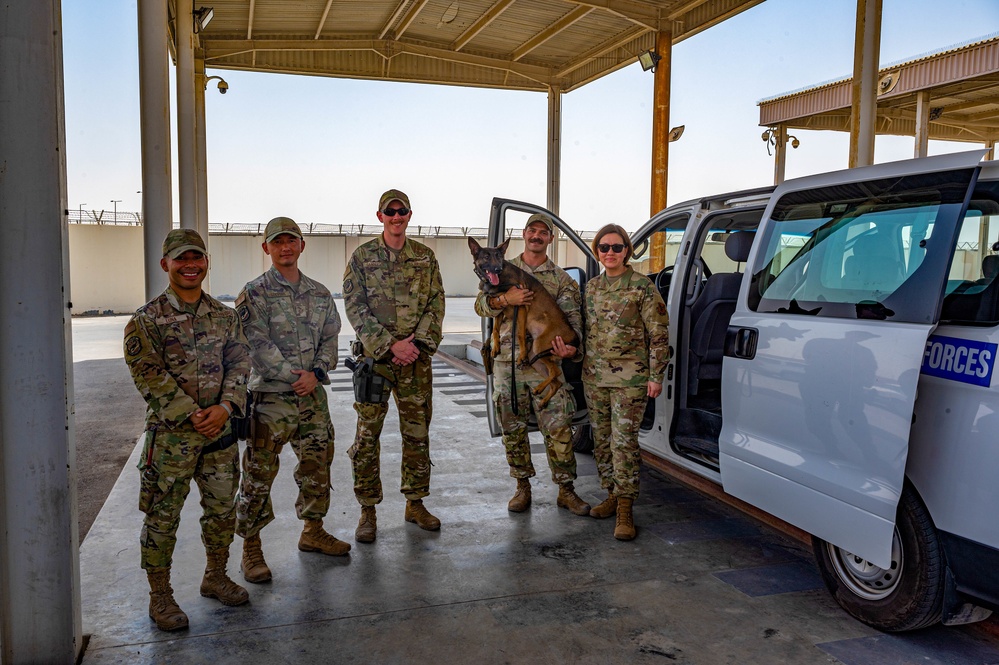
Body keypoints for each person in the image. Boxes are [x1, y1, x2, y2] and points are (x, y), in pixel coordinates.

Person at [124, 229, 251, 632]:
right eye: (181, 258)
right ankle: (160, 596)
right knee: (163, 517)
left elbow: (240, 364)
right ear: (166, 264)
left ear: (206, 262)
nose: (191, 264)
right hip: (172, 439)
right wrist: (193, 414)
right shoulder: (146, 320)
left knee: (221, 511)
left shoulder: (225, 316)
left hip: (220, 435)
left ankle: (215, 576)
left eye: (197, 257)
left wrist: (226, 407)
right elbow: (147, 374)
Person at [234, 217, 349, 584]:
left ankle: (312, 530)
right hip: (271, 398)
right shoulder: (254, 292)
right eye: (277, 242)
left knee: (318, 463)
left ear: (302, 246)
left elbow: (331, 338)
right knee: (259, 472)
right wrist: (291, 376)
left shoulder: (319, 293)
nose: (285, 247)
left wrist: (317, 372)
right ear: (266, 248)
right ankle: (251, 547)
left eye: (291, 241)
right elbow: (255, 342)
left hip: (311, 396)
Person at [342, 189, 445, 542]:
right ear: (380, 215)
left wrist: (414, 345)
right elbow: (355, 306)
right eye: (390, 211)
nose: (396, 216)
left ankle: (415, 503)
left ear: (410, 215)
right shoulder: (362, 257)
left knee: (417, 435)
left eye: (402, 211)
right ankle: (367, 510)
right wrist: (389, 346)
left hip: (415, 361)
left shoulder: (425, 258)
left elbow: (436, 303)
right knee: (367, 437)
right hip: (376, 362)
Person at [474, 213, 591, 516]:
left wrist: (571, 347)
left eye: (543, 232)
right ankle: (522, 487)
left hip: (545, 361)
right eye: (532, 230)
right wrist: (504, 301)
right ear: (524, 234)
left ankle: (566, 490)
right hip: (507, 365)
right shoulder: (500, 267)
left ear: (551, 238)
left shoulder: (562, 280)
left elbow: (573, 320)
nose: (537, 235)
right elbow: (481, 305)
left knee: (560, 428)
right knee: (512, 430)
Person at [583, 224, 670, 540]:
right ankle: (610, 494)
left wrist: (655, 375)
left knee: (623, 443)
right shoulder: (592, 287)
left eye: (616, 247)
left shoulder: (642, 286)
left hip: (630, 381)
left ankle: (625, 509)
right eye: (604, 247)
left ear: (627, 251)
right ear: (597, 251)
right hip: (594, 378)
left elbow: (659, 333)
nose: (610, 253)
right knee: (602, 441)